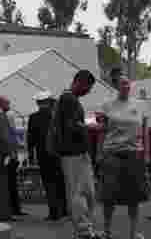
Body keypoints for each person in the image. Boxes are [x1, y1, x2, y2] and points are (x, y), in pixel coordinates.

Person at [98, 75, 147, 239]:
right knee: (109, 196)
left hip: (133, 154)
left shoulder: (139, 105)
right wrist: (99, 153)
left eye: (127, 83)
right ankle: (106, 231)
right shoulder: (106, 105)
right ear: (116, 86)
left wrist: (145, 153)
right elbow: (102, 131)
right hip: (112, 154)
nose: (125, 86)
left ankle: (133, 233)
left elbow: (144, 131)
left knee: (134, 197)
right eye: (122, 83)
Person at [56, 69, 98, 239]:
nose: (89, 91)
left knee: (86, 193)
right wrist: (90, 127)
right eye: (88, 87)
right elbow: (71, 125)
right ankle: (83, 231)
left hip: (77, 153)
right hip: (73, 153)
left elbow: (72, 124)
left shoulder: (69, 99)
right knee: (79, 193)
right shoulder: (69, 99)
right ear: (79, 82)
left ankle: (85, 229)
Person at [28, 91, 66, 221]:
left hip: (42, 155)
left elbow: (30, 139)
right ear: (49, 102)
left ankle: (53, 212)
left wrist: (30, 154)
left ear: (38, 103)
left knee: (48, 183)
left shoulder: (33, 117)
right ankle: (64, 211)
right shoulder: (56, 115)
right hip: (58, 154)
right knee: (60, 181)